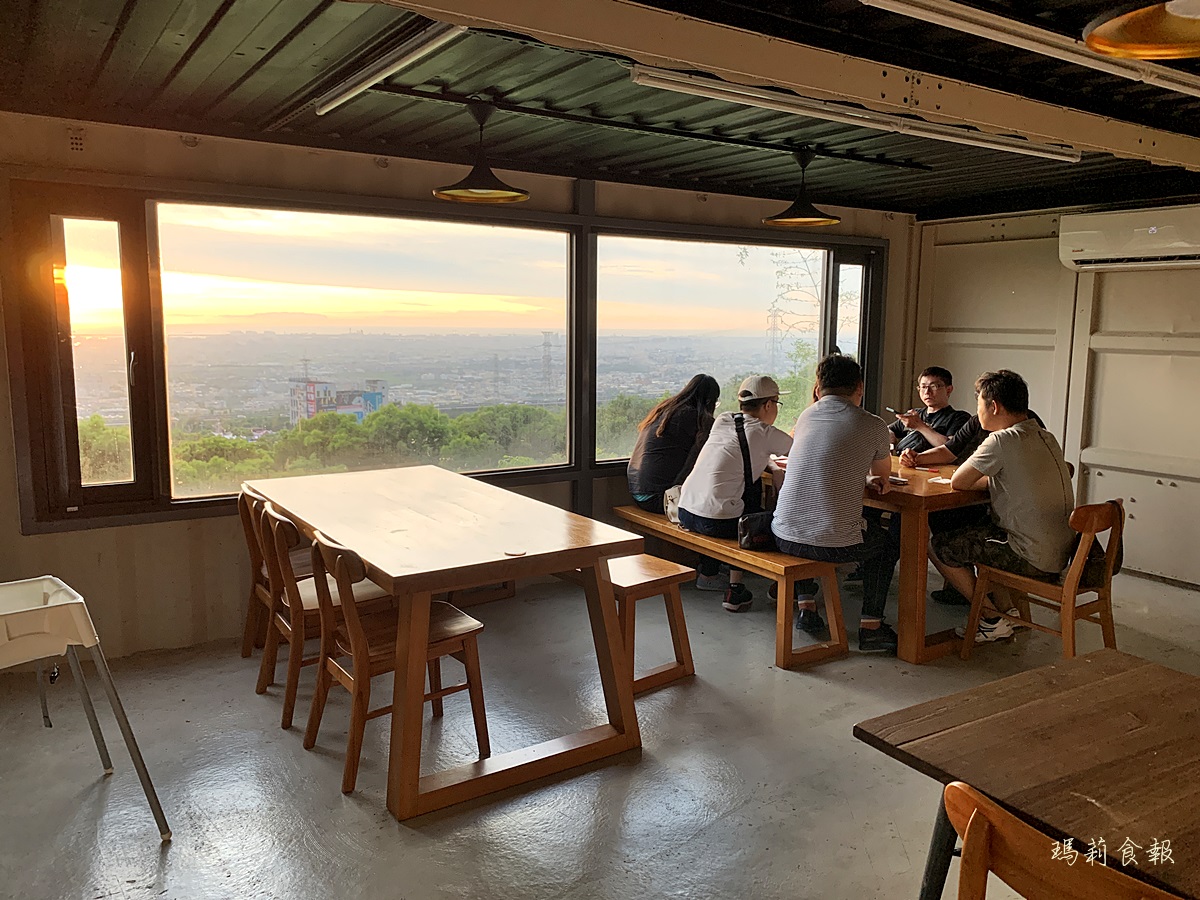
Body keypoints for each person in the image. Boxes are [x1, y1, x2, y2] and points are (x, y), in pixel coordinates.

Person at [929, 369, 1075, 645]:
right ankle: (1007, 613)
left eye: (979, 404)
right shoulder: (1045, 435)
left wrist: (989, 481)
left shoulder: (1001, 439)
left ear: (993, 406)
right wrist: (999, 481)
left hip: (1030, 557)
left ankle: (990, 619)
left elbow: (959, 481)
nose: (978, 412)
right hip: (1061, 551)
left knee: (938, 545)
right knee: (983, 532)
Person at [771, 354, 900, 654]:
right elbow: (883, 480)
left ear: (818, 388)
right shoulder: (874, 424)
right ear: (859, 387)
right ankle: (871, 626)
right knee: (889, 542)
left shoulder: (805, 417)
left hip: (783, 535)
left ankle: (807, 608)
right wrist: (866, 478)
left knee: (809, 523)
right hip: (833, 544)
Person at [679, 375, 793, 611]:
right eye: (777, 405)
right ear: (769, 405)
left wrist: (770, 466)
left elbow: (743, 453)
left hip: (686, 511)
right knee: (772, 522)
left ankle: (712, 574)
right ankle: (741, 589)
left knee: (731, 497)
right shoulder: (764, 432)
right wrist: (776, 468)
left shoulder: (723, 420)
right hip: (718, 521)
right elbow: (800, 450)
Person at [626, 374, 720, 515]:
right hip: (661, 498)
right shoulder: (697, 419)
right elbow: (702, 460)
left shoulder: (665, 410)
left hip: (637, 492)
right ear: (709, 401)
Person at [888, 366, 970, 455]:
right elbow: (887, 430)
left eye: (933, 386)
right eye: (923, 387)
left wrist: (920, 426)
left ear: (948, 390)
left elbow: (951, 449)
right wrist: (890, 442)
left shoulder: (959, 417)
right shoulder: (915, 414)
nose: (927, 392)